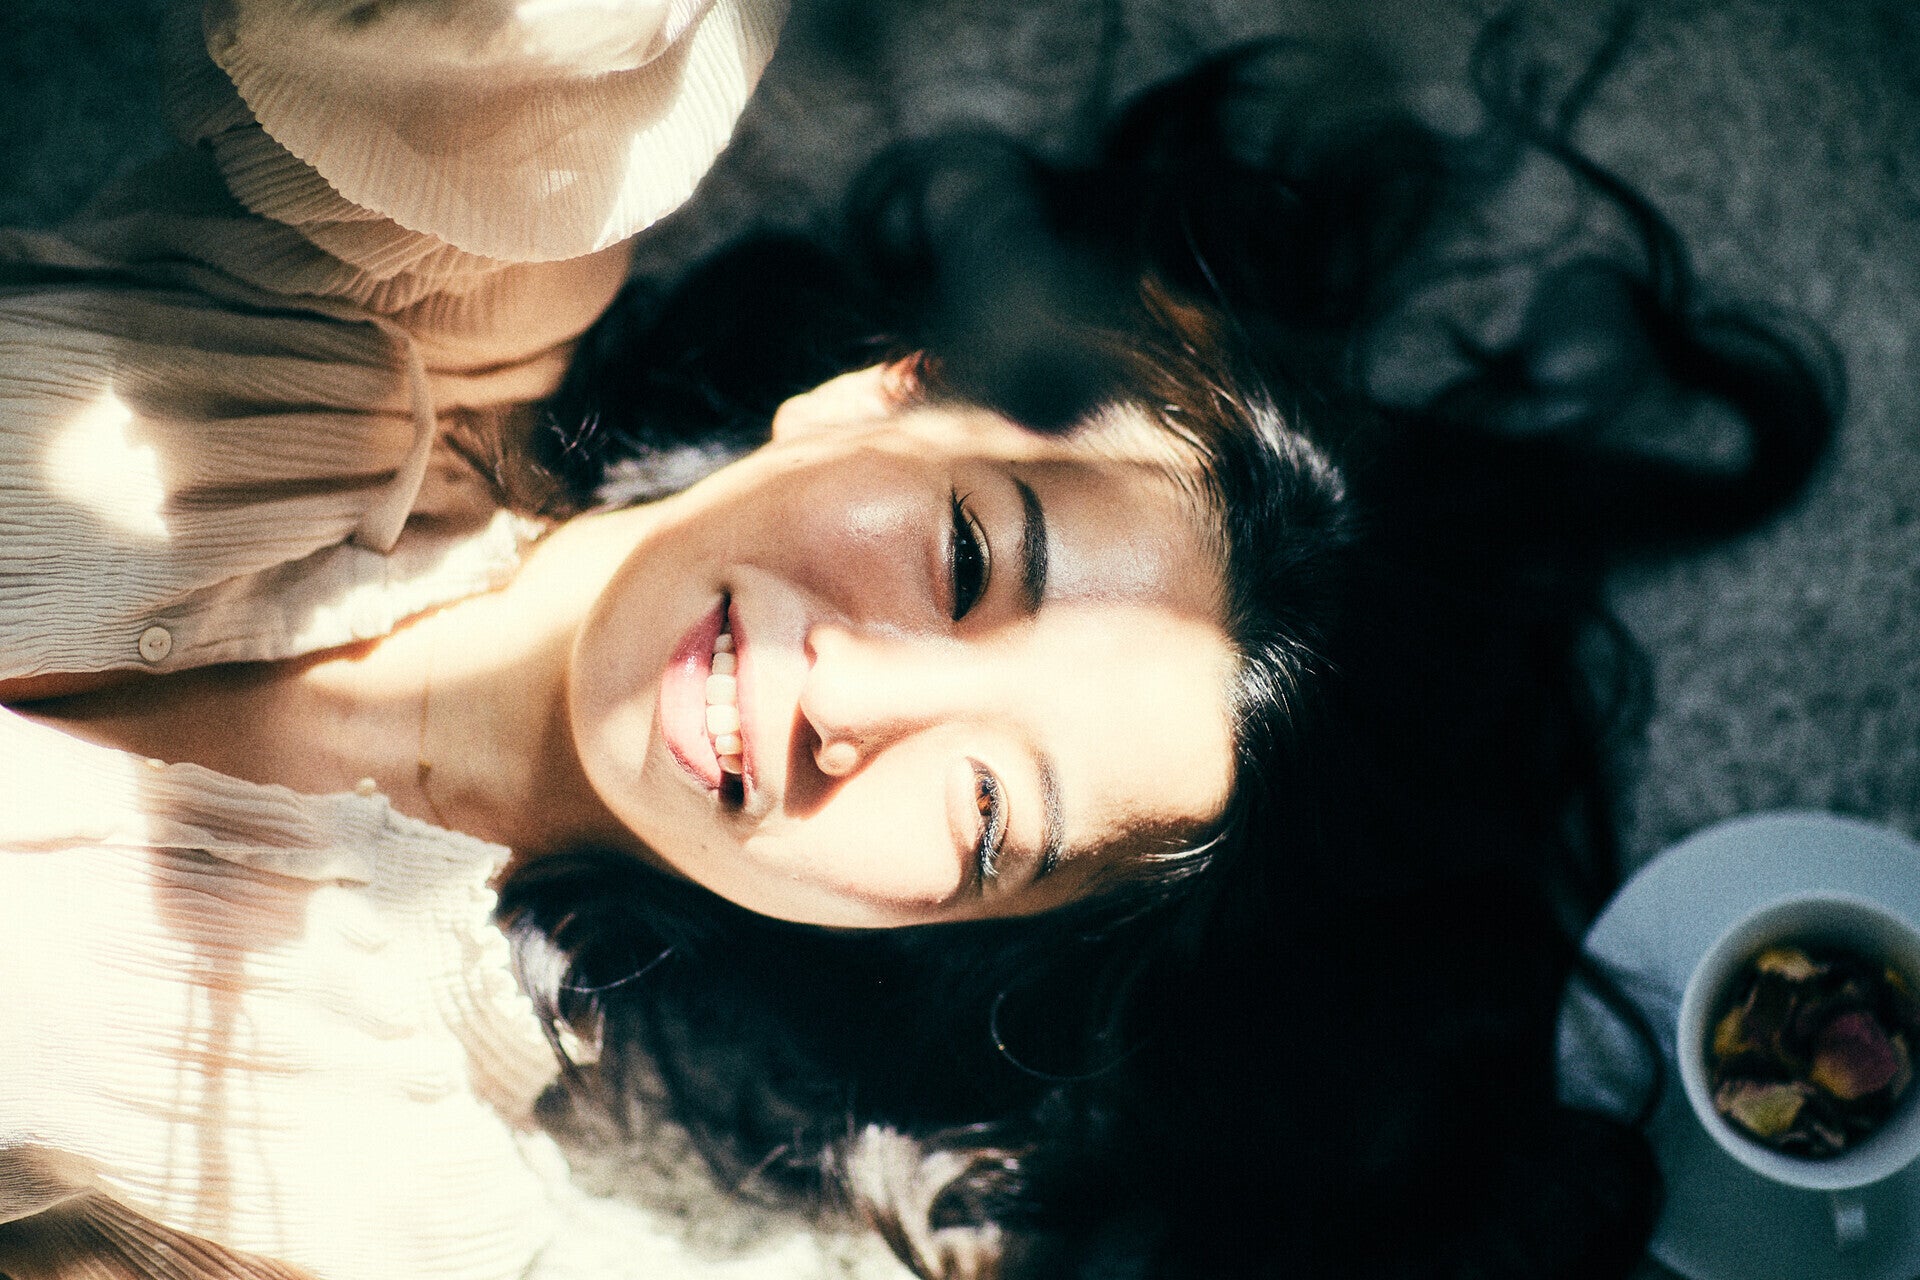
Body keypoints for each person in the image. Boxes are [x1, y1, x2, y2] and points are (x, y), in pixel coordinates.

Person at [0, 10, 1836, 1280]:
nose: (851, 701)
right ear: (877, 392)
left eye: (984, 816)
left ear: (929, 933)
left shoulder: (376, 1196)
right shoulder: (391, 305)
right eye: (967, 557)